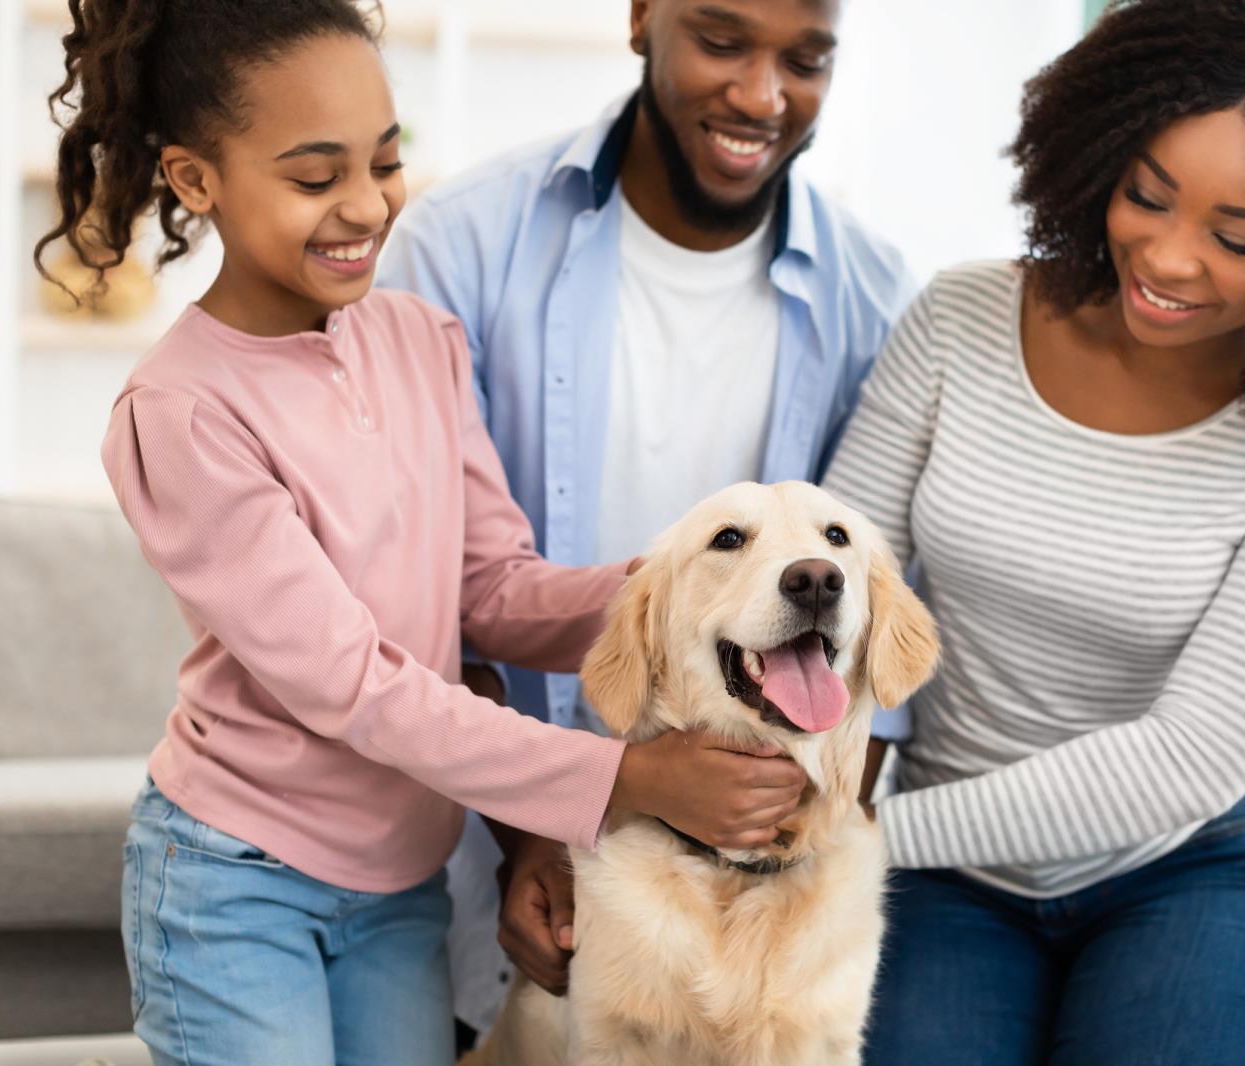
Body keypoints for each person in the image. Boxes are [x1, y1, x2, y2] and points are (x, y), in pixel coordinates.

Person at [35, 3, 806, 1063]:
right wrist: (623, 778)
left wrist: (682, 585)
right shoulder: (182, 412)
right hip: (235, 881)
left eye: (385, 161)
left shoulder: (419, 340)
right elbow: (354, 684)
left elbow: (490, 588)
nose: (365, 205)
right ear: (195, 179)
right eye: (315, 177)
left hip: (399, 882)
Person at [820, 1, 1245, 1063]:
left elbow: (1184, 761)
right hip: (947, 878)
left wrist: (852, 844)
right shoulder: (959, 321)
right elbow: (840, 591)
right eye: (1146, 197)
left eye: (1235, 238)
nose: (1168, 259)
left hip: (1187, 868)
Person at [374, 0, 914, 1040]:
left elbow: (870, 637)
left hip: (757, 889)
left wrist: (800, 842)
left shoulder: (873, 295)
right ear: (640, 17)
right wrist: (537, 830)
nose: (762, 95)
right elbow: (427, 596)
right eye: (721, 41)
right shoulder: (457, 248)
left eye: (805, 59)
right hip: (497, 855)